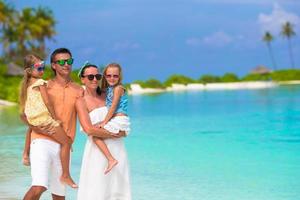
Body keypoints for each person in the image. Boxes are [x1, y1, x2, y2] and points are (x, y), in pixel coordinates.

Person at [22, 48, 123, 200]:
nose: (66, 64)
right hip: (42, 140)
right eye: (61, 61)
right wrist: (26, 150)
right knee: (39, 185)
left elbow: (90, 118)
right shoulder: (43, 86)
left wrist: (118, 127)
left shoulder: (79, 91)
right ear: (54, 65)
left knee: (59, 196)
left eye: (69, 61)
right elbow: (31, 116)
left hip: (65, 146)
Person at [20, 54, 77, 188]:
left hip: (34, 121)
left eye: (42, 67)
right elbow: (47, 102)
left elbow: (24, 113)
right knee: (67, 143)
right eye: (38, 68)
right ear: (29, 71)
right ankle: (65, 175)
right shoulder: (41, 83)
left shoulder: (27, 85)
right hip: (45, 120)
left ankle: (25, 155)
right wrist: (55, 118)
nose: (42, 70)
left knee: (31, 131)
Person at [76, 63, 131, 200]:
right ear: (82, 79)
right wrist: (116, 134)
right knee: (97, 189)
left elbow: (122, 118)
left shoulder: (108, 94)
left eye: (98, 76)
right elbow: (88, 129)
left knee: (118, 189)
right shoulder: (80, 101)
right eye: (90, 76)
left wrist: (122, 132)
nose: (95, 79)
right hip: (96, 151)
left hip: (117, 148)